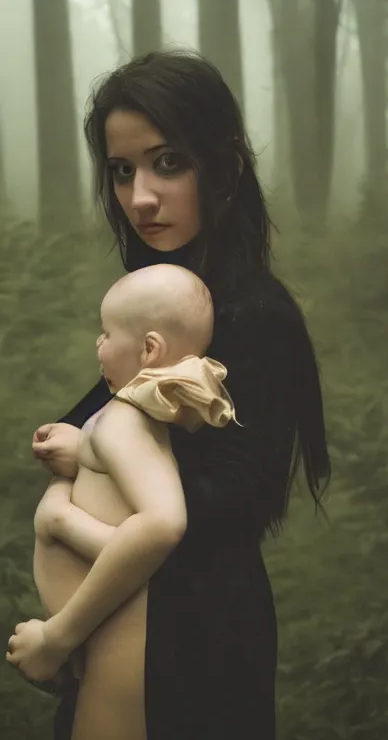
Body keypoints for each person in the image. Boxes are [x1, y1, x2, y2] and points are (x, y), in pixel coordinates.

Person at [12, 49, 330, 740]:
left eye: (167, 163)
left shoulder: (252, 317)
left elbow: (237, 496)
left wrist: (86, 484)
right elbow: (93, 427)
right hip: (118, 628)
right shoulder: (161, 309)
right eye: (122, 171)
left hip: (196, 641)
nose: (140, 198)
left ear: (226, 168)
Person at [7, 263, 237, 740]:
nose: (98, 343)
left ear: (149, 349)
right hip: (104, 635)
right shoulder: (131, 416)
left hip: (114, 639)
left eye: (106, 332)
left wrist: (61, 523)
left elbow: (163, 524)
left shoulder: (125, 422)